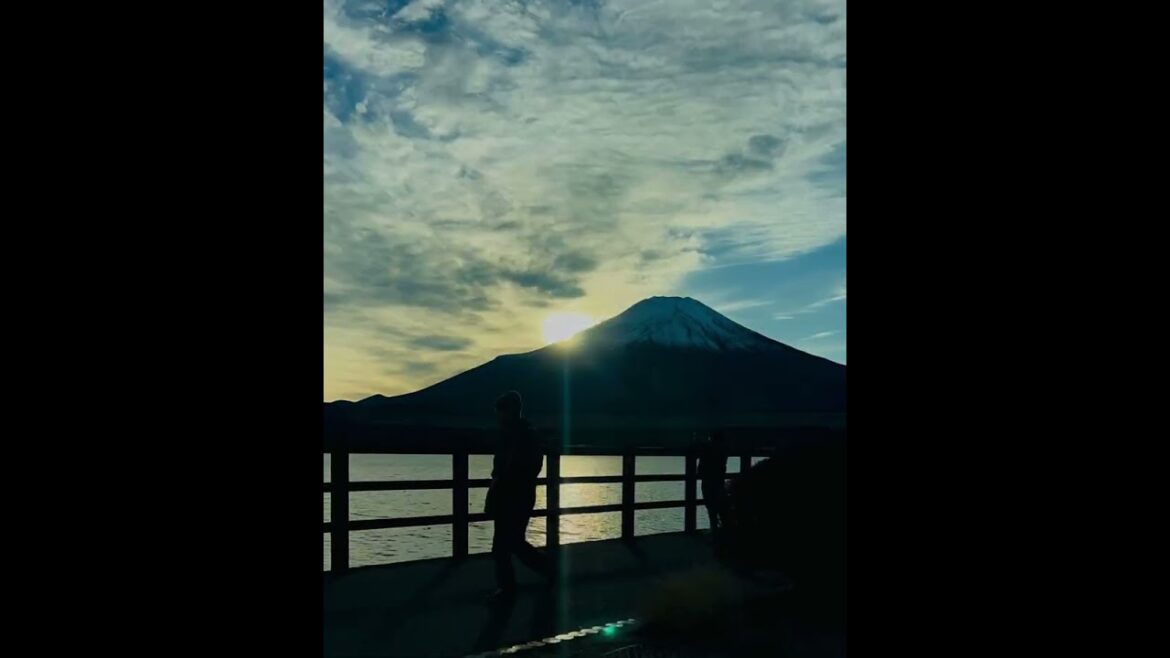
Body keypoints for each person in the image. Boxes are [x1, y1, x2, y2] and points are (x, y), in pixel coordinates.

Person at [485, 390, 552, 602]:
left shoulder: (518, 435)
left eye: (500, 411)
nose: (498, 416)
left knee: (507, 544)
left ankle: (510, 587)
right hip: (518, 494)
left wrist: (502, 483)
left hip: (513, 495)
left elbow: (510, 469)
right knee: (511, 543)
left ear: (509, 411)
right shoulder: (523, 433)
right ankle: (542, 573)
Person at [697, 430, 729, 534]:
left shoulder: (707, 450)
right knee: (720, 507)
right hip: (719, 482)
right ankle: (723, 530)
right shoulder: (723, 451)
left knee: (711, 507)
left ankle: (715, 530)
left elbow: (700, 469)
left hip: (708, 481)